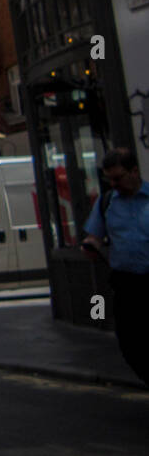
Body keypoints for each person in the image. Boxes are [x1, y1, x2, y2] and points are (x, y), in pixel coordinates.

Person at [82, 147, 149, 386]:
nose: (113, 183)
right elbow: (95, 236)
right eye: (109, 179)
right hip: (126, 284)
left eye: (118, 177)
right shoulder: (107, 202)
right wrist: (90, 245)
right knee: (131, 345)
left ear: (134, 171)